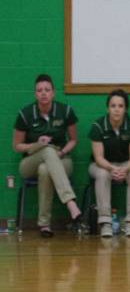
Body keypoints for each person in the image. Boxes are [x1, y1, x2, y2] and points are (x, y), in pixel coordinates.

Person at [12, 74, 83, 237]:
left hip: (62, 158)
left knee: (45, 170)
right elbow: (17, 146)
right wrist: (37, 144)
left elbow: (73, 140)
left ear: (53, 93)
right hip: (30, 161)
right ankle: (70, 202)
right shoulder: (25, 114)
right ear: (35, 94)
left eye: (47, 90)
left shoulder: (65, 111)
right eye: (39, 90)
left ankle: (44, 225)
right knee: (46, 150)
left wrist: (62, 152)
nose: (43, 93)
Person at [88, 89, 130, 237]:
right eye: (113, 106)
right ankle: (106, 222)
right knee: (102, 174)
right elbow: (98, 157)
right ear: (108, 108)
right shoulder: (98, 126)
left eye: (120, 106)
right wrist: (112, 168)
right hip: (101, 165)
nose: (117, 109)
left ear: (126, 109)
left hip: (126, 164)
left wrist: (124, 169)